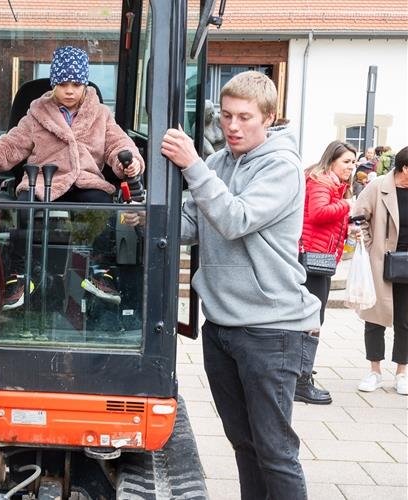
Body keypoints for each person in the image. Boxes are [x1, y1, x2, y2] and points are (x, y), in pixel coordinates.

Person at [161, 71, 320, 500]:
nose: (232, 126)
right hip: (223, 326)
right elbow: (193, 224)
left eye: (245, 117)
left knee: (275, 451)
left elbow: (235, 219)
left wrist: (192, 164)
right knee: (244, 444)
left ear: (268, 118)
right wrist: (144, 215)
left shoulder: (282, 167)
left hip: (272, 330)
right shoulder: (218, 164)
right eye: (227, 115)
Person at [0, 46, 143, 309]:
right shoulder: (37, 115)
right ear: (54, 84)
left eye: (76, 84)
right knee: (26, 206)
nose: (70, 90)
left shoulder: (100, 114)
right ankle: (21, 273)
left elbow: (118, 144)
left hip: (85, 180)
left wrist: (129, 162)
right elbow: (8, 147)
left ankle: (100, 270)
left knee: (101, 204)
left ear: (85, 84)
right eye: (63, 84)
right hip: (43, 181)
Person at [296, 140, 356, 405]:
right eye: (346, 161)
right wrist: (347, 206)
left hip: (318, 257)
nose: (351, 167)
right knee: (313, 319)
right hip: (313, 259)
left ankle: (300, 372)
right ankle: (300, 379)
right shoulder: (323, 182)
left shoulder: (329, 183)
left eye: (353, 162)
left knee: (311, 317)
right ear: (332, 160)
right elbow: (319, 213)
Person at [351, 145, 408, 396]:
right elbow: (358, 216)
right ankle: (374, 370)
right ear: (405, 168)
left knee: (406, 321)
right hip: (381, 261)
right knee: (375, 319)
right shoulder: (378, 187)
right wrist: (369, 242)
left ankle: (402, 373)